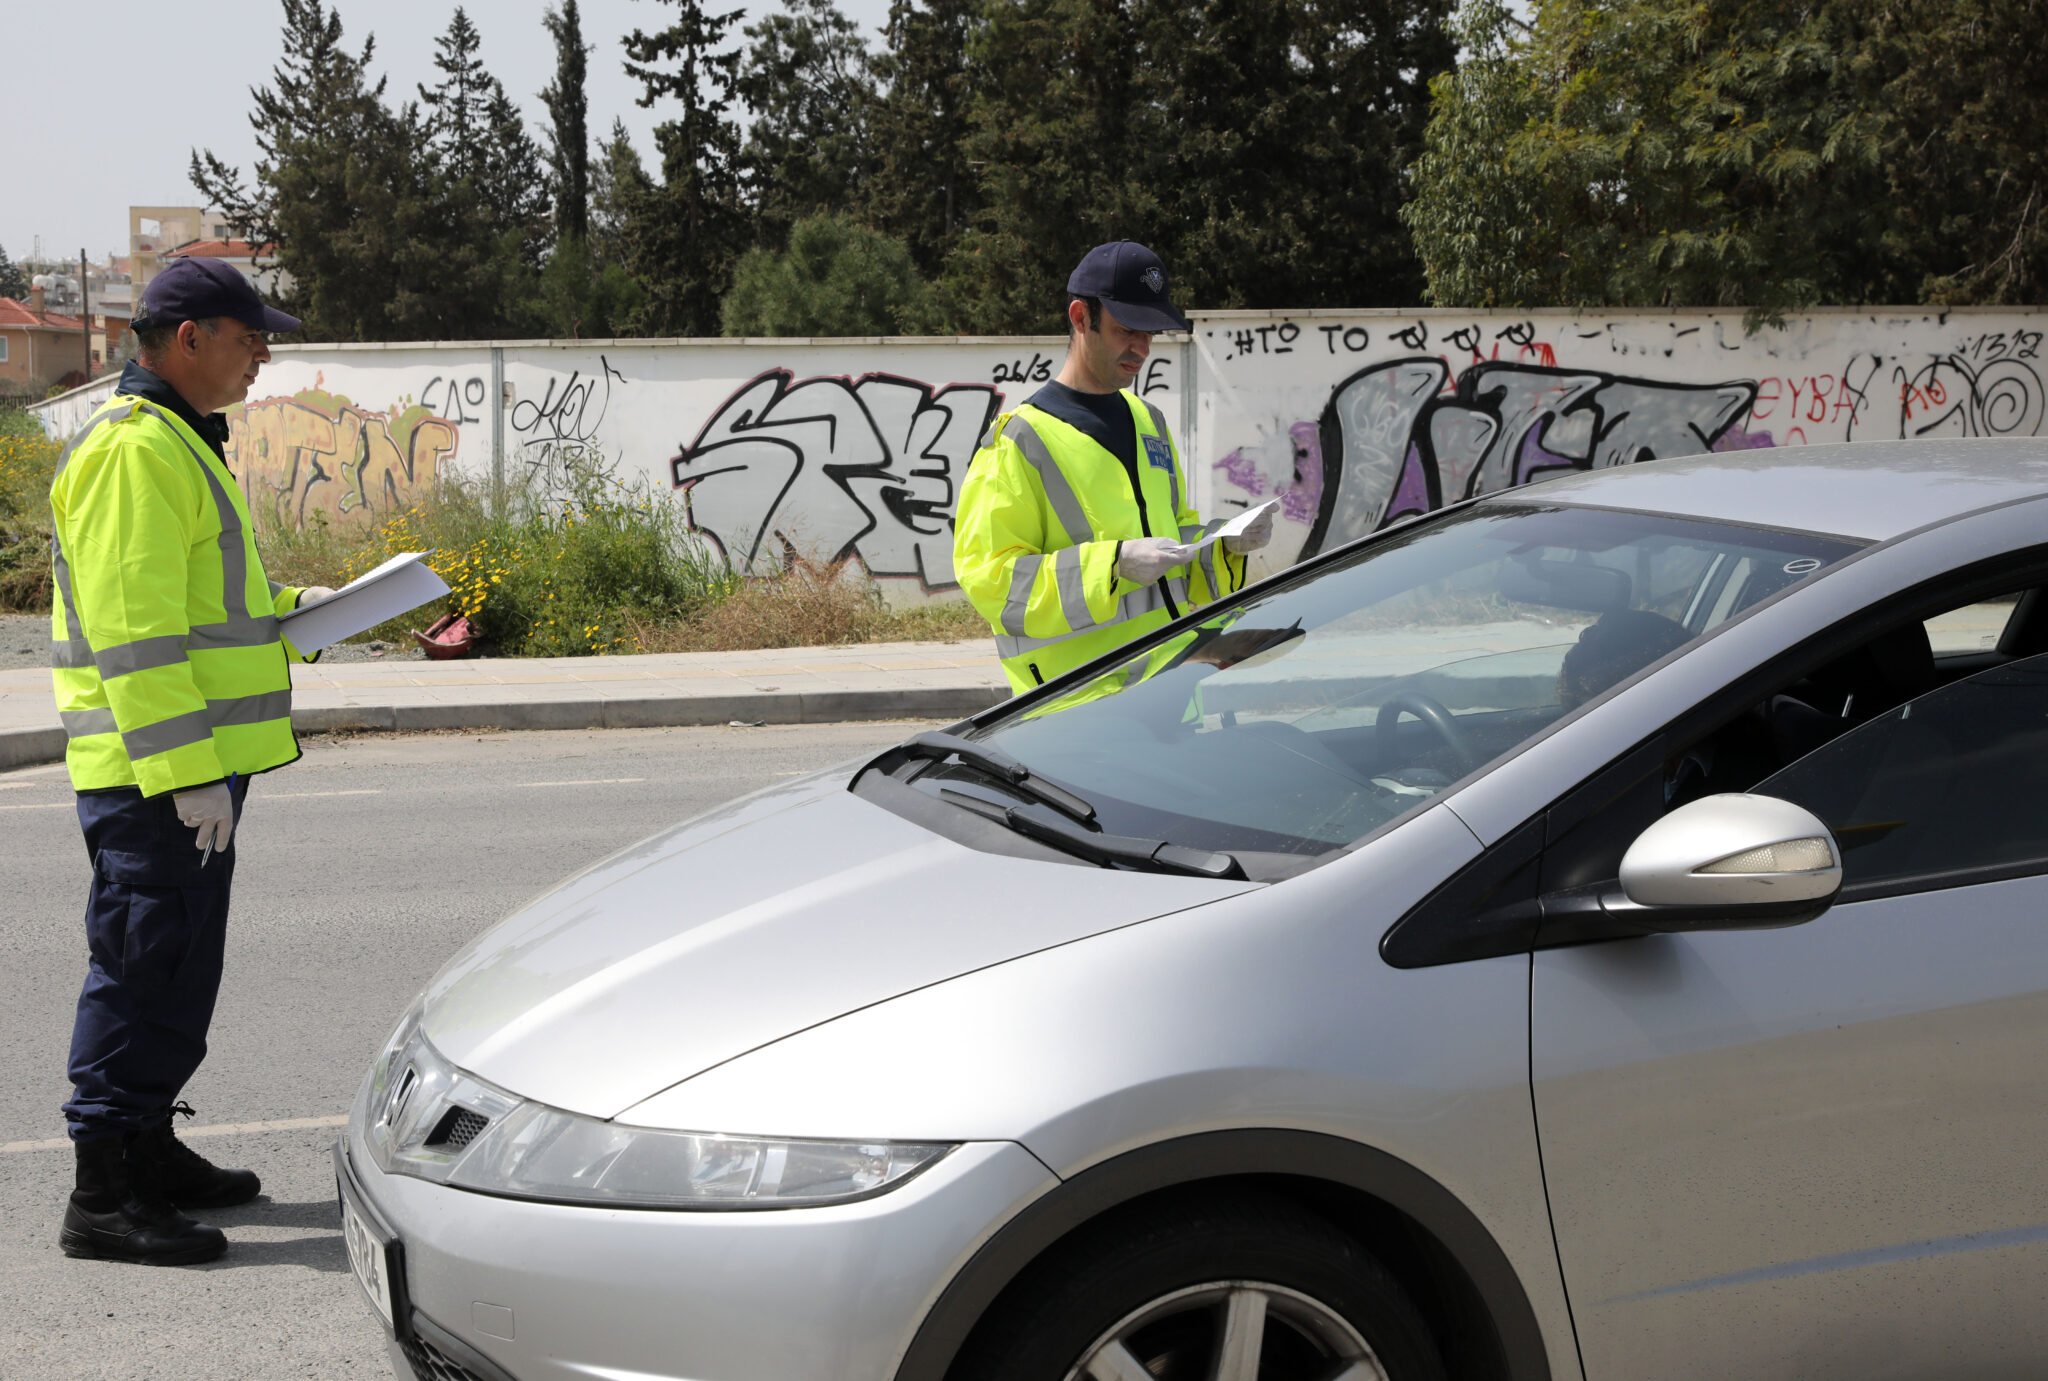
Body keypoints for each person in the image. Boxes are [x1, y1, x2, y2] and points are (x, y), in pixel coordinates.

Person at [48, 257, 332, 1266]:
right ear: (187, 340)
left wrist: (299, 623)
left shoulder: (176, 442)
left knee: (176, 969)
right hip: (156, 777)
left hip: (192, 772)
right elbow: (136, 637)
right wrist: (182, 773)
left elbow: (197, 617)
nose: (262, 355)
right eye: (250, 336)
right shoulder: (135, 453)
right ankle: (104, 1194)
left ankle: (149, 1147)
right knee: (138, 969)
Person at [954, 241, 1274, 694]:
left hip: (1171, 694)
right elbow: (991, 582)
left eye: (1151, 333)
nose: (1141, 348)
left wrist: (1226, 544)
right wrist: (1114, 564)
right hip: (1076, 713)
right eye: (1128, 329)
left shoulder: (1150, 423)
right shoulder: (1018, 441)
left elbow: (1171, 540)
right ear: (1081, 318)